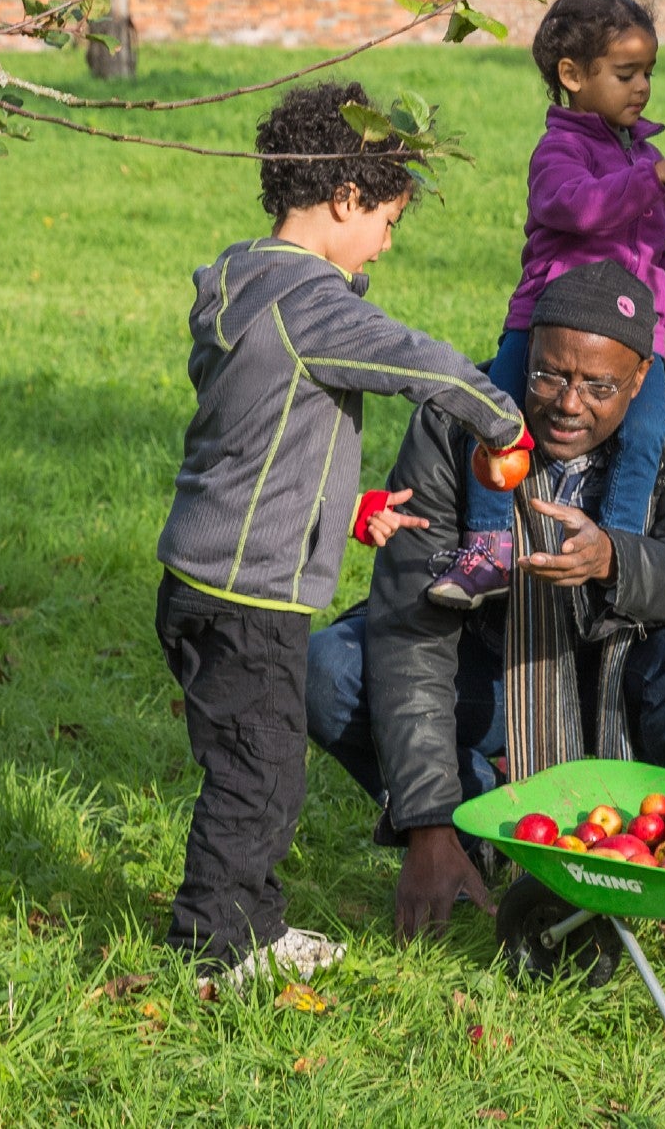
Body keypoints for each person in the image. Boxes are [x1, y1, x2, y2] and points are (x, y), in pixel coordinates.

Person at [152, 81, 530, 988]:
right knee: (260, 777)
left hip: (207, 573)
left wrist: (347, 508)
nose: (386, 245)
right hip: (250, 594)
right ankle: (215, 950)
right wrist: (503, 424)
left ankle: (251, 922)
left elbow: (266, 429)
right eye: (388, 221)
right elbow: (421, 362)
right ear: (346, 201)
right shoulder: (313, 302)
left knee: (253, 764)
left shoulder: (242, 276)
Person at [307, 259, 665, 938]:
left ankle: (662, 836)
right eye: (549, 374)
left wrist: (613, 559)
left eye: (598, 385)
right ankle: (482, 822)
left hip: (628, 667)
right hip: (493, 663)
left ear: (639, 378)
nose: (568, 404)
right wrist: (428, 824)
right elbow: (412, 611)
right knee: (326, 669)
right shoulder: (458, 416)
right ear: (527, 358)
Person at [425, 0, 665, 610]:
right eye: (625, 73)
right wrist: (655, 177)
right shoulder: (560, 150)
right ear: (572, 75)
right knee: (497, 421)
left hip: (631, 341)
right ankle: (487, 552)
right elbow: (578, 208)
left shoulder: (645, 154)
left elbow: (660, 246)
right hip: (544, 323)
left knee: (643, 437)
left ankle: (613, 551)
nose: (642, 86)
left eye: (648, 72)